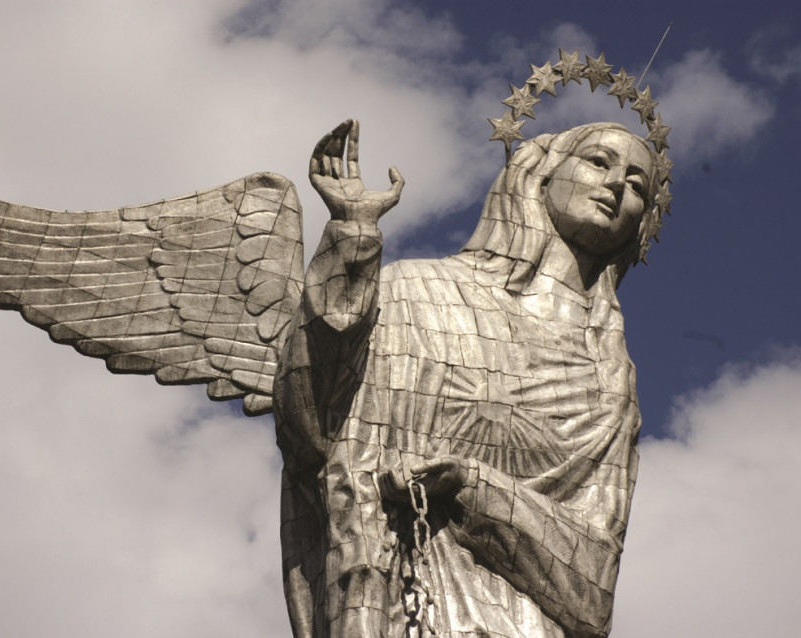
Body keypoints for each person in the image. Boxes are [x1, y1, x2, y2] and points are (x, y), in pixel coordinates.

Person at [273, 119, 658, 638]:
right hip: (406, 601)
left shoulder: (610, 381)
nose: (617, 184)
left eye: (638, 184)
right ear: (539, 175)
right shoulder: (414, 290)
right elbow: (316, 422)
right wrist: (352, 241)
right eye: (598, 162)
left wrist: (472, 486)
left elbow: (592, 595)